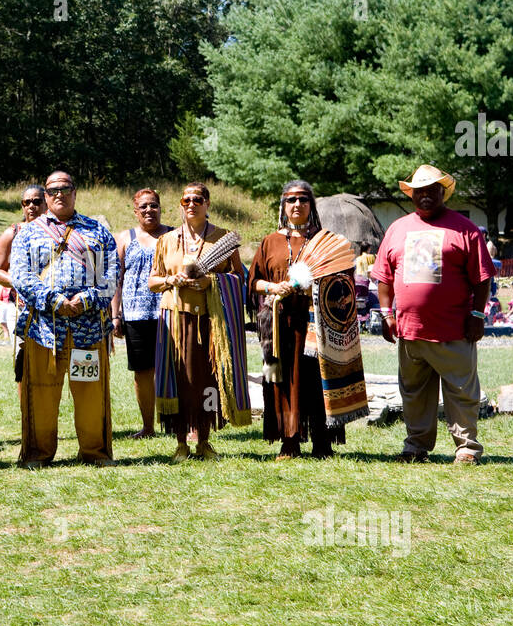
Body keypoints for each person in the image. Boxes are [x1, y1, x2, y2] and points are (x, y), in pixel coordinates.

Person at [372, 165, 494, 465]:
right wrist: (387, 315)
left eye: (431, 190)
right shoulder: (397, 229)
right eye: (419, 191)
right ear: (411, 194)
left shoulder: (464, 229)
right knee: (414, 392)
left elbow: (482, 279)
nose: (425, 196)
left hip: (455, 329)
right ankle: (416, 445)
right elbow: (384, 278)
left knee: (461, 389)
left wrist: (477, 314)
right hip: (410, 330)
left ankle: (466, 447)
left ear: (444, 192)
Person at [9, 171, 118, 466]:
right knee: (41, 396)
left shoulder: (97, 231)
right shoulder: (29, 234)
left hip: (89, 329)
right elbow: (20, 275)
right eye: (53, 190)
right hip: (44, 329)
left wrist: (86, 300)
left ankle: (95, 452)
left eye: (65, 188)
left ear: (74, 192)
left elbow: (111, 275)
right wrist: (53, 300)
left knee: (91, 394)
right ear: (45, 196)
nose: (59, 194)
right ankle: (38, 454)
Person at [250, 180, 362, 459]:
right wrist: (273, 287)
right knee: (276, 378)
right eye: (291, 200)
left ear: (311, 205)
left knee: (315, 380)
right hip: (276, 327)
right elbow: (253, 282)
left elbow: (342, 282)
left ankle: (322, 441)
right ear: (283, 206)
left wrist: (314, 288)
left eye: (303, 199)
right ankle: (288, 440)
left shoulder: (325, 242)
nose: (296, 205)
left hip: (316, 327)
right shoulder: (270, 242)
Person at [150, 183, 249, 461]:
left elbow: (239, 279)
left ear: (207, 204)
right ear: (181, 204)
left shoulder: (222, 238)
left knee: (207, 378)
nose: (191, 204)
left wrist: (211, 281)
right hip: (175, 320)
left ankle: (204, 441)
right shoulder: (167, 241)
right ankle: (181, 442)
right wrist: (172, 279)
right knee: (179, 379)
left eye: (197, 199)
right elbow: (152, 280)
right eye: (186, 200)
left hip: (210, 321)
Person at [112, 187, 171, 438]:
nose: (149, 210)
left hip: (170, 312)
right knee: (143, 372)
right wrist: (115, 315)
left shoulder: (174, 235)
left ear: (160, 208)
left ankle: (176, 424)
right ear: (136, 211)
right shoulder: (125, 238)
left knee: (173, 370)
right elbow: (116, 279)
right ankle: (148, 426)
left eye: (153, 205)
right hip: (136, 315)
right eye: (144, 206)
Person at [0, 185, 47, 388]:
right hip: (22, 308)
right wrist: (21, 282)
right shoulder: (13, 232)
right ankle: (27, 416)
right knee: (24, 365)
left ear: (46, 202)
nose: (31, 206)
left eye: (37, 201)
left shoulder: (58, 232)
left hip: (55, 309)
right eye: (26, 202)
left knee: (51, 364)